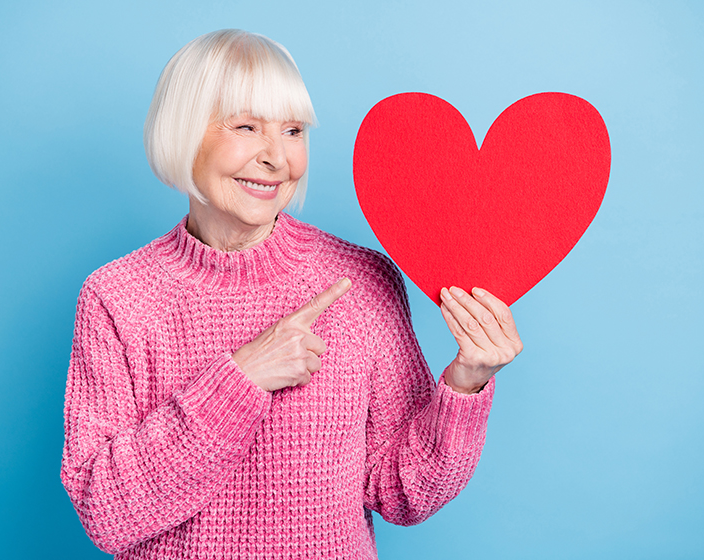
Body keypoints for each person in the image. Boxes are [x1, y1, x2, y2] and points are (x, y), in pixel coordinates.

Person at [61, 29, 522, 560]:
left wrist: (466, 384)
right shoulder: (118, 297)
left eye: (293, 130)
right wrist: (241, 379)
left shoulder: (361, 280)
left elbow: (404, 492)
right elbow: (107, 512)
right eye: (246, 127)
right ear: (183, 133)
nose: (276, 157)